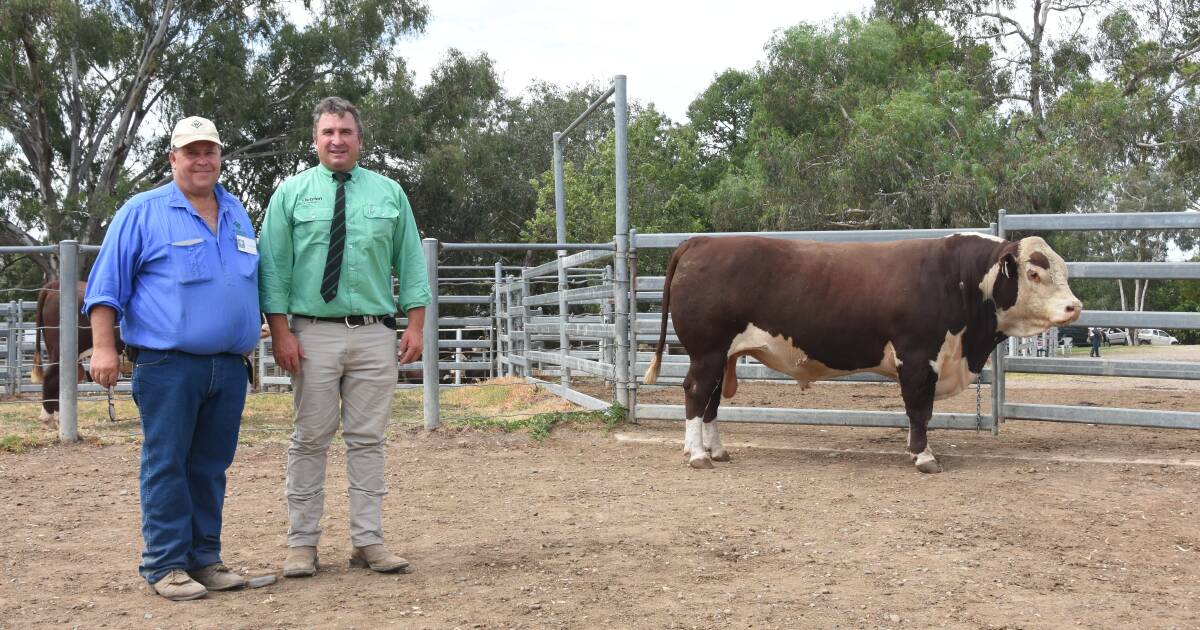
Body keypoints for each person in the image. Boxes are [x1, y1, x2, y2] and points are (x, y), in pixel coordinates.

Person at [85, 116, 261, 601]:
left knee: (210, 466)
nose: (202, 160)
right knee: (167, 463)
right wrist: (103, 348)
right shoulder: (142, 211)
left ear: (220, 157)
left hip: (227, 366)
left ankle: (205, 559)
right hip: (168, 365)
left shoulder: (237, 211)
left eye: (210, 151)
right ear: (173, 159)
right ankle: (164, 564)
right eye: (191, 151)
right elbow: (105, 288)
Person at [258, 96, 431, 578]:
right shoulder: (290, 195)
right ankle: (302, 545)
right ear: (315, 140)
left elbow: (411, 264)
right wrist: (281, 333)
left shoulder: (390, 194)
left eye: (346, 132)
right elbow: (273, 269)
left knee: (368, 440)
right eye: (328, 132)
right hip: (312, 335)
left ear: (359, 138)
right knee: (310, 439)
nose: (337, 140)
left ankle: (368, 542)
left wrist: (414, 325)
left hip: (375, 334)